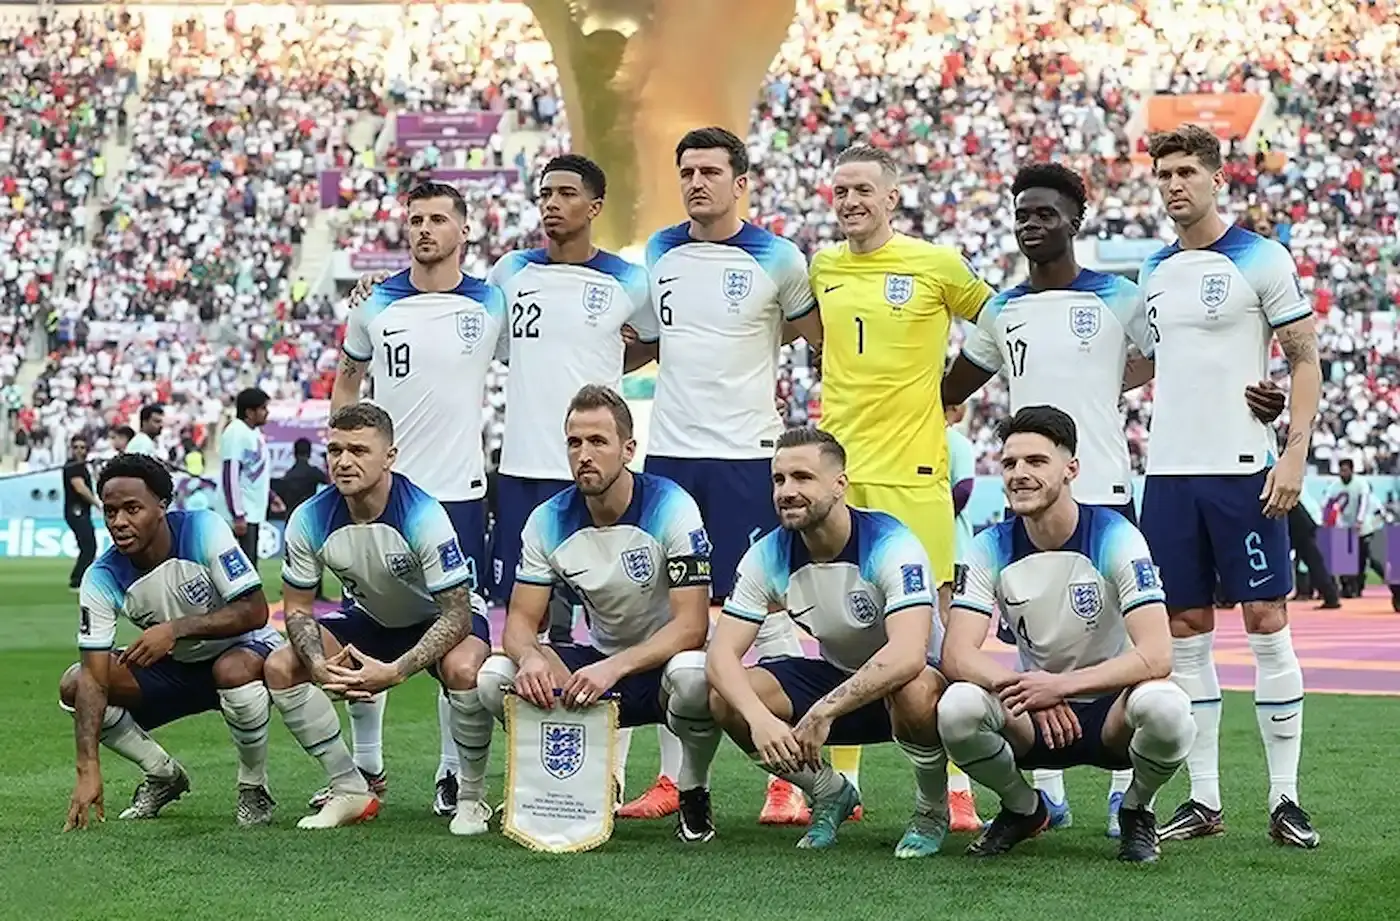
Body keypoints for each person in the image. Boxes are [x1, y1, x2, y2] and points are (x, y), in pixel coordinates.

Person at [940, 162, 1285, 835]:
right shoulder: (1001, 309)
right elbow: (952, 384)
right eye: (1023, 212)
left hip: (1108, 495)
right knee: (1036, 640)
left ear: (1076, 220)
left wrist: (1255, 388)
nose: (1032, 224)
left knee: (1119, 641)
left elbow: (1181, 357)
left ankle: (1127, 793)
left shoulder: (1122, 297)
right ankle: (1045, 789)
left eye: (1046, 213)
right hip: (1031, 504)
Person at [621, 126, 826, 824]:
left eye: (710, 170)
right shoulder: (660, 249)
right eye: (687, 171)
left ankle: (787, 776)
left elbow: (813, 332)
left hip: (745, 454)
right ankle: (672, 779)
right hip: (670, 454)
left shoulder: (779, 257)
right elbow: (646, 339)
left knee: (761, 607)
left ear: (742, 182)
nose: (697, 181)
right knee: (663, 610)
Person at [1136, 125, 1321, 848]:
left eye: (1186, 171)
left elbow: (1304, 359)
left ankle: (1285, 798)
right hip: (1169, 476)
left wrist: (1294, 454)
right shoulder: (1152, 268)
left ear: (1218, 179)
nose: (1174, 184)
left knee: (1268, 622)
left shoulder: (1260, 256)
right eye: (1164, 174)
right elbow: (1149, 365)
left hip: (1244, 469)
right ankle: (1204, 798)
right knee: (1184, 632)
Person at [808, 143, 993, 831]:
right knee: (845, 628)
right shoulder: (822, 266)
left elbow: (1000, 326)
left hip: (916, 476)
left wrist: (950, 392)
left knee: (942, 636)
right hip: (842, 478)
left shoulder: (936, 264)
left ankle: (961, 785)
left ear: (893, 197)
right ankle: (842, 783)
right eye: (841, 190)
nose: (851, 200)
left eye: (863, 189)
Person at [939, 406, 1195, 863]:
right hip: (1032, 715)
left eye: (1036, 462)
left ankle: (1137, 810)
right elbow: (956, 653)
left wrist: (1059, 686)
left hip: (1110, 713)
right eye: (1011, 463)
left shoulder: (1117, 536)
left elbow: (1157, 656)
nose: (1019, 473)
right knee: (956, 706)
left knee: (1168, 707)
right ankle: (1023, 808)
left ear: (1071, 469)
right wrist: (1027, 688)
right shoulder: (989, 545)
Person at [476, 385, 719, 844]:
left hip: (660, 666)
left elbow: (692, 625)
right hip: (595, 669)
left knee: (695, 677)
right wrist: (531, 658)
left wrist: (615, 666)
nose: (584, 454)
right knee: (495, 676)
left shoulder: (673, 506)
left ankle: (694, 790)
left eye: (598, 442)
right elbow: (521, 625)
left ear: (628, 449)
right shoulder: (546, 520)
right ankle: (573, 786)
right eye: (574, 442)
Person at [333, 180, 506, 817]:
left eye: (437, 219)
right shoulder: (376, 303)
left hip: (459, 498)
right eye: (414, 220)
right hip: (384, 500)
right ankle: (368, 766)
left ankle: (449, 773)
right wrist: (345, 462)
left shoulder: (492, 303)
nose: (424, 229)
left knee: (454, 640)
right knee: (368, 627)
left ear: (464, 230)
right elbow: (348, 378)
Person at [708, 427, 951, 857]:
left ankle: (932, 810)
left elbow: (909, 653)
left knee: (914, 687)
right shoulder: (768, 554)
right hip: (838, 676)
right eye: (779, 480)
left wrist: (825, 709)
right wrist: (757, 718)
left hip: (914, 691)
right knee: (724, 697)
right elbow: (720, 656)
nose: (787, 491)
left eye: (802, 478)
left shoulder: (891, 542)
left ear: (840, 485)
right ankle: (829, 792)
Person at [265, 403, 495, 833]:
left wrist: (394, 672)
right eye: (335, 450)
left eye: (358, 450)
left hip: (439, 618)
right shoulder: (310, 517)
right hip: (372, 618)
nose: (344, 461)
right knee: (281, 665)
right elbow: (297, 608)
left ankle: (470, 795)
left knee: (463, 669)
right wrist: (316, 664)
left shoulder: (422, 514)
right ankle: (350, 786)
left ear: (390, 457)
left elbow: (457, 614)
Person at [60, 454, 281, 831]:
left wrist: (175, 629)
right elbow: (96, 679)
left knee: (234, 670)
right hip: (176, 669)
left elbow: (255, 610)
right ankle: (162, 775)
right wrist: (87, 767)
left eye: (132, 509)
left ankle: (253, 787)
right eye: (111, 512)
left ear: (162, 506)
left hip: (242, 651)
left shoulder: (203, 528)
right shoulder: (101, 576)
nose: (119, 522)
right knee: (76, 683)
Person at [486, 154, 656, 616]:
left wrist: (615, 357)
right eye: (545, 194)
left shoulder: (630, 280)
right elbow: (495, 343)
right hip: (523, 463)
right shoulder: (510, 272)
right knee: (525, 610)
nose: (552, 204)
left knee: (611, 605)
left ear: (595, 207)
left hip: (593, 467)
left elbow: (655, 343)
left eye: (566, 194)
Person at [220, 388, 282, 565]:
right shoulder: (235, 433)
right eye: (263, 408)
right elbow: (230, 474)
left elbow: (254, 472)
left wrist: (271, 496)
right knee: (242, 573)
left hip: (252, 511)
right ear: (249, 412)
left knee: (250, 567)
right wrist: (238, 514)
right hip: (241, 513)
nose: (267, 412)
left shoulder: (254, 433)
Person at [63, 435, 100, 590]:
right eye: (76, 447)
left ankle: (79, 578)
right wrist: (97, 503)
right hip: (76, 511)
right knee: (89, 546)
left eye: (82, 447)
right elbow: (80, 487)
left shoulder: (83, 466)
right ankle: (77, 580)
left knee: (87, 546)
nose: (79, 450)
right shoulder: (73, 466)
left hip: (81, 511)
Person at [276, 437, 329, 515]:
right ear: (310, 453)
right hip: (309, 514)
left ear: (294, 453)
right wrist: (327, 463)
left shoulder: (288, 475)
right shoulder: (314, 472)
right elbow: (330, 482)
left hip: (291, 516)